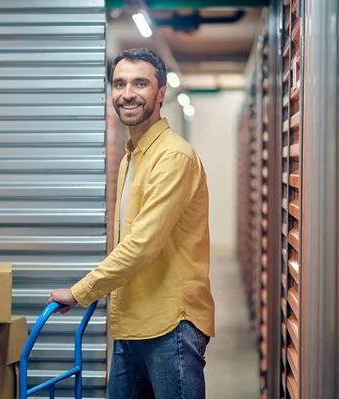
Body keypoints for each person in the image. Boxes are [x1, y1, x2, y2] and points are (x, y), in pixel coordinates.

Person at [47, 47, 215, 399]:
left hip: (171, 326)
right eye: (119, 83)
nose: (127, 93)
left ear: (161, 92)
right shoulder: (132, 156)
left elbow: (142, 244)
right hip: (131, 325)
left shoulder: (173, 157)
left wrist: (81, 292)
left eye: (140, 83)